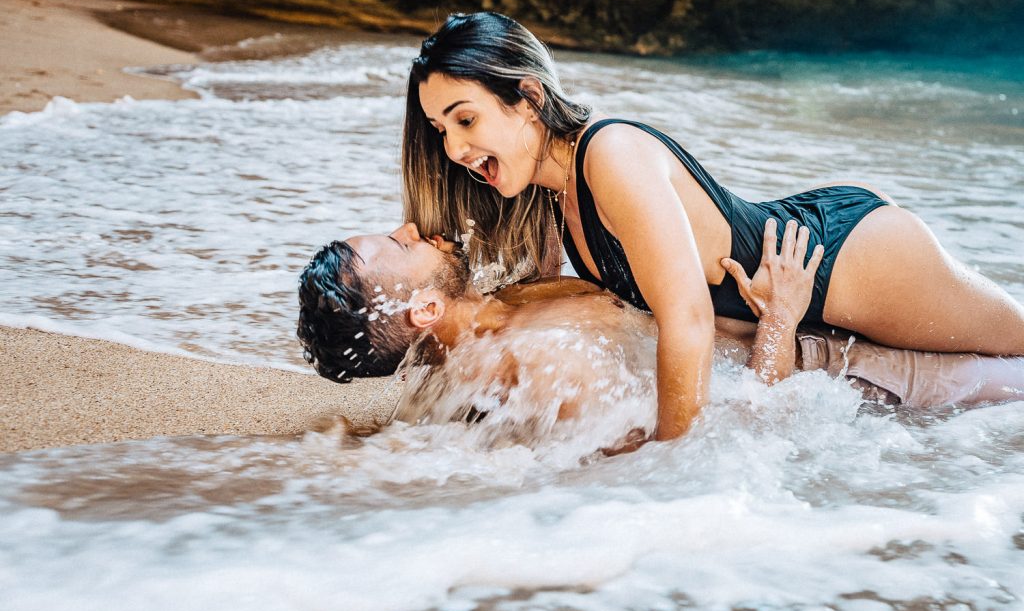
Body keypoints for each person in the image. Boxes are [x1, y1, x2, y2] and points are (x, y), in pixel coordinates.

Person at [400, 11, 1024, 440]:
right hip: (804, 301)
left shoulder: (610, 154)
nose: (454, 150)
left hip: (852, 258)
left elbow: (688, 322)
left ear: (529, 98)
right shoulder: (545, 200)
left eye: (465, 120)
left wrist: (676, 462)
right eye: (440, 131)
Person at [296, 221, 1024, 443]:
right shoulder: (540, 366)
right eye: (396, 244)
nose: (410, 227)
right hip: (843, 380)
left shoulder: (507, 303)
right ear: (422, 310)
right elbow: (715, 444)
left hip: (833, 344)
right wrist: (780, 319)